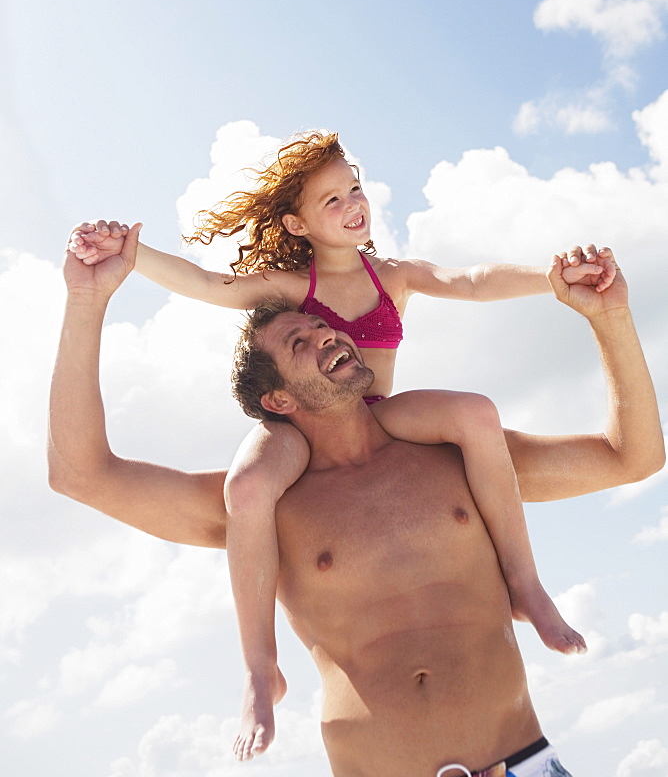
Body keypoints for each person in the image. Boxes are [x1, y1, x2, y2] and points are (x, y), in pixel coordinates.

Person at [68, 132, 615, 760]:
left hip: (380, 417)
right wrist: (131, 254)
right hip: (304, 429)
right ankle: (258, 668)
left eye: (353, 187)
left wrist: (553, 278)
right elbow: (208, 284)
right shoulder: (284, 290)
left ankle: (528, 588)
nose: (353, 203)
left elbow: (471, 280)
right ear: (299, 223)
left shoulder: (393, 276)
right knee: (247, 489)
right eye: (331, 200)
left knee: (474, 413)